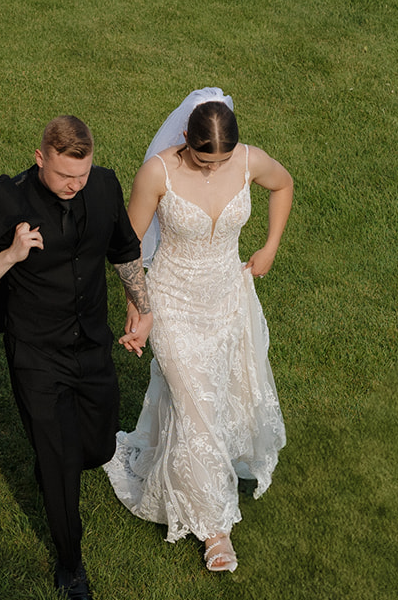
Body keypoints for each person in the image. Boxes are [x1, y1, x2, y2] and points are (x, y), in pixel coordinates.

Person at [0, 116, 152, 600]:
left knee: (95, 446)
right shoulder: (8, 201)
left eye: (82, 174)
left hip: (92, 343)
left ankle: (58, 459)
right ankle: (70, 564)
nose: (75, 185)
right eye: (64, 176)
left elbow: (123, 249)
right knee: (60, 466)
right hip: (36, 353)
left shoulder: (103, 186)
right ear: (40, 159)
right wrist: (11, 254)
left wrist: (141, 304)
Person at [104, 89, 292, 573]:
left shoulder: (248, 161)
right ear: (185, 138)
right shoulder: (159, 172)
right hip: (174, 302)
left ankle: (180, 473)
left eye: (222, 160)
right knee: (197, 405)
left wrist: (270, 246)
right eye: (204, 159)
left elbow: (284, 184)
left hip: (227, 297)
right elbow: (126, 248)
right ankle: (215, 531)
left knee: (215, 396)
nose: (213, 169)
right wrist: (140, 310)